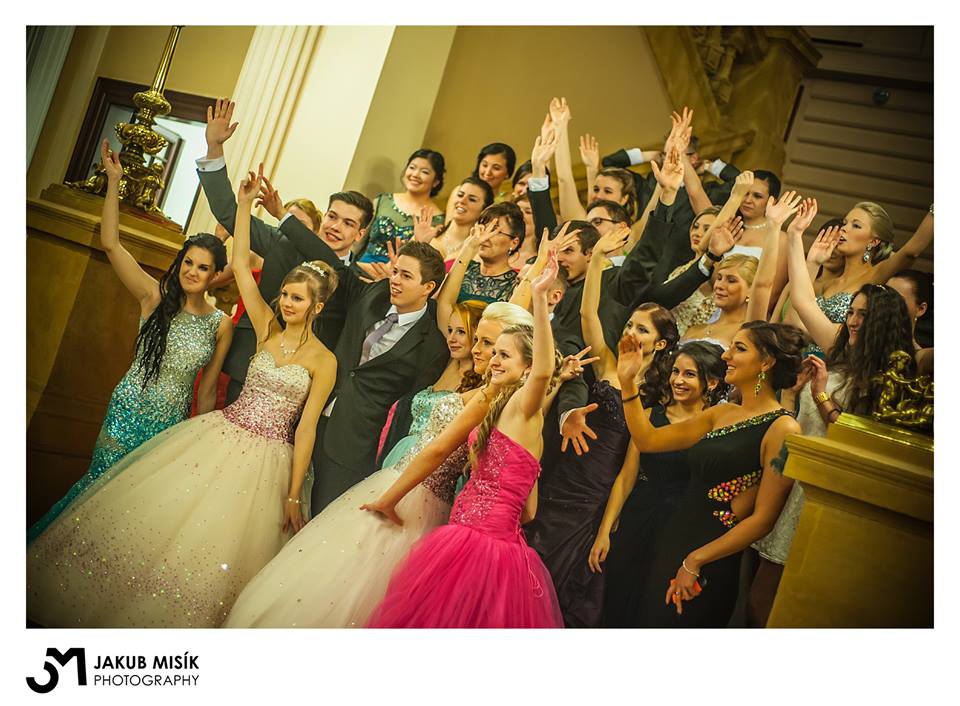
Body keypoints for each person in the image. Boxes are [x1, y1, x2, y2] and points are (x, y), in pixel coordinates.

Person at [26, 170, 339, 628]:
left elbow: (307, 427)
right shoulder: (266, 328)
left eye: (297, 298)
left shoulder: (324, 361)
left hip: (269, 460)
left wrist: (293, 495)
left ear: (317, 307)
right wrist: (244, 207)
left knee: (217, 543)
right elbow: (240, 264)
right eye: (286, 295)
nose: (287, 303)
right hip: (222, 434)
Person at [222, 302, 539, 628]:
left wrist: (390, 499)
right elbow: (527, 499)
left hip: (417, 494)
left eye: (491, 345)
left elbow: (439, 452)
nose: (478, 349)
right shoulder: (496, 399)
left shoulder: (493, 401)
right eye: (481, 342)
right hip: (407, 480)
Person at [27, 140, 233, 543]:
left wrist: (194, 446)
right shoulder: (154, 298)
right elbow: (111, 244)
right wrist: (113, 183)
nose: (192, 271)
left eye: (203, 267)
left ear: (215, 276)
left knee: (132, 509)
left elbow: (207, 393)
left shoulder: (219, 325)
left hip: (168, 426)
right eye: (188, 262)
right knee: (98, 494)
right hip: (127, 410)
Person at [365, 254, 566, 628]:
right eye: (494, 353)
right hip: (467, 532)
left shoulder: (524, 408)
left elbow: (543, 371)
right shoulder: (497, 405)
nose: (493, 361)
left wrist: (538, 297)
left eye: (504, 355)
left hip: (481, 545)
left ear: (527, 367)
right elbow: (529, 512)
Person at [523, 226, 680, 628]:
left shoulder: (657, 397)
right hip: (564, 470)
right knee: (530, 553)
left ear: (661, 344)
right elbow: (587, 314)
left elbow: (629, 469)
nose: (630, 332)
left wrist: (607, 527)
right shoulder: (608, 364)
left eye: (642, 329)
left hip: (596, 490)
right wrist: (596, 261)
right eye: (630, 325)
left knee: (563, 575)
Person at [749, 280, 915, 626]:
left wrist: (822, 395)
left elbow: (854, 440)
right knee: (756, 592)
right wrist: (793, 394)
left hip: (821, 495)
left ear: (883, 322)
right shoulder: (838, 364)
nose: (852, 321)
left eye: (863, 315)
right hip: (788, 478)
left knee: (782, 601)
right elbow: (798, 426)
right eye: (851, 312)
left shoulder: (889, 381)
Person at [618, 321, 804, 627]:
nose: (726, 355)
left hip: (713, 555)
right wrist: (627, 383)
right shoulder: (721, 413)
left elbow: (763, 519)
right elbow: (647, 440)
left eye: (739, 348)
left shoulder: (783, 428)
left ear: (767, 362)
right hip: (675, 538)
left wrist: (696, 560)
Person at [196, 99, 372, 395]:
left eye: (347, 223)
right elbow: (228, 212)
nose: (335, 227)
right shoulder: (282, 242)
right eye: (332, 217)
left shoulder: (358, 280)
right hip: (251, 362)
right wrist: (214, 148)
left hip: (306, 383)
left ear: (360, 233)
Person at [279, 210, 450, 513]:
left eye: (406, 276)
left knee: (318, 520)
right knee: (279, 503)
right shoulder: (372, 293)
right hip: (308, 417)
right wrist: (283, 217)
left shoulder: (432, 345)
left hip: (354, 446)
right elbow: (331, 263)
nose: (395, 281)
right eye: (395, 271)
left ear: (429, 288)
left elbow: (408, 409)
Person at [592, 341, 728, 627]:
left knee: (656, 606)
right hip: (638, 517)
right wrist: (604, 531)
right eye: (675, 371)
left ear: (713, 382)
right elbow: (626, 476)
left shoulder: (717, 426)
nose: (678, 380)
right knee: (618, 596)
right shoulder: (649, 416)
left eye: (689, 374)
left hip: (681, 526)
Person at [356, 149, 445, 266]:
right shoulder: (383, 201)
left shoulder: (438, 219)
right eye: (412, 167)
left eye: (424, 172)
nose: (415, 174)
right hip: (360, 267)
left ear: (436, 181)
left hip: (398, 274)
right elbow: (359, 240)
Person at [439, 203, 522, 305]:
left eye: (494, 230)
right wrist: (468, 248)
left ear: (514, 243)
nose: (484, 236)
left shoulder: (516, 284)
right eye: (482, 228)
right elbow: (441, 305)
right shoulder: (463, 268)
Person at [429, 176, 494, 263]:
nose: (462, 201)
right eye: (460, 195)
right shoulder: (428, 235)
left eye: (472, 199)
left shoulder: (479, 251)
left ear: (484, 210)